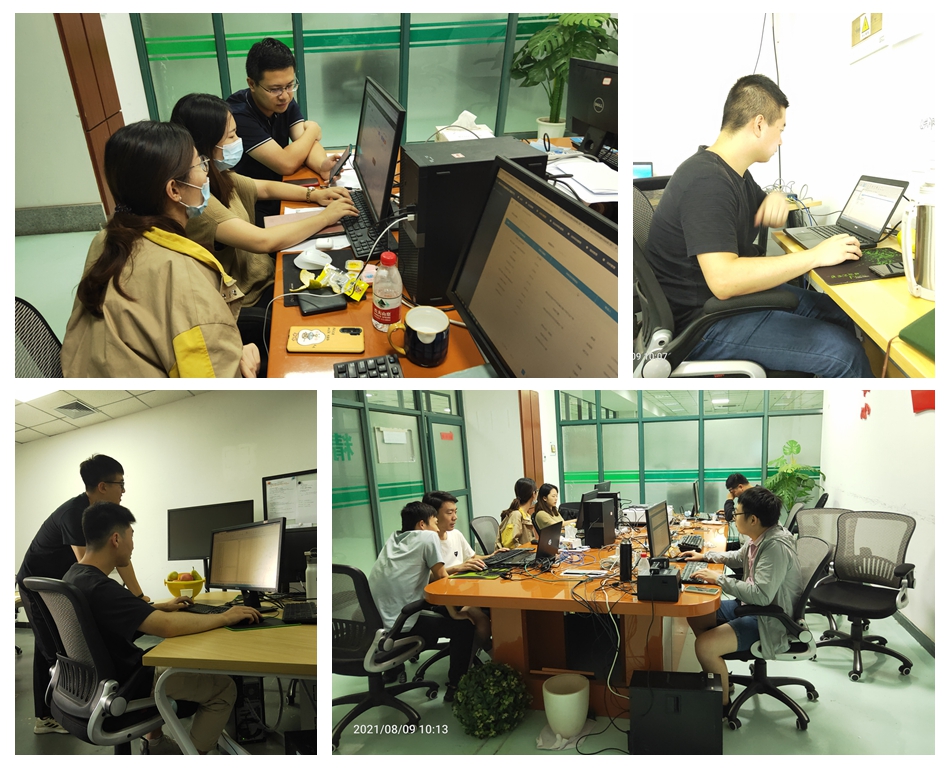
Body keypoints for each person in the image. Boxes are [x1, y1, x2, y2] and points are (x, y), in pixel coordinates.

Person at [645, 74, 873, 377]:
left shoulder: (732, 173)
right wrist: (816, 256)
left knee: (838, 313)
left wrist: (775, 197)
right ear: (759, 124)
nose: (781, 140)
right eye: (781, 129)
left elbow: (763, 205)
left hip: (722, 303)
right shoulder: (706, 181)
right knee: (845, 354)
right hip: (702, 322)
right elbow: (724, 280)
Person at [170, 93, 358, 370]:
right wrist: (326, 217)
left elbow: (263, 188)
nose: (238, 142)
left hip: (264, 277)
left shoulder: (216, 176)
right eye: (231, 136)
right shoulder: (200, 202)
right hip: (250, 300)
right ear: (205, 145)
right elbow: (263, 241)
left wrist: (313, 195)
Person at [61, 121, 259, 378]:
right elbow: (215, 386)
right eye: (199, 164)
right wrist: (243, 365)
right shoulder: (181, 274)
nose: (206, 173)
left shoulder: (106, 238)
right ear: (174, 190)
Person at [63, 501, 261, 754]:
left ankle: (154, 744)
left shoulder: (75, 576)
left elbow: (113, 613)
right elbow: (167, 628)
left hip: (92, 685)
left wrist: (160, 607)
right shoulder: (102, 587)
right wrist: (225, 617)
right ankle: (193, 754)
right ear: (116, 539)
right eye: (131, 536)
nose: (132, 545)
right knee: (223, 688)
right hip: (130, 684)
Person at [16, 455, 148, 735]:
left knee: (56, 641)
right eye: (120, 484)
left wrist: (138, 596)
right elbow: (89, 567)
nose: (124, 490)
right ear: (103, 486)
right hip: (37, 583)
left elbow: (117, 554)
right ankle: (48, 716)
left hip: (59, 580)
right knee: (50, 645)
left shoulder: (102, 515)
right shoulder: (75, 514)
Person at [679, 486, 803, 717]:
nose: (733, 518)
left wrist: (719, 579)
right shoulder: (763, 535)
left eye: (736, 514)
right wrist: (705, 556)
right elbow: (738, 556)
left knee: (704, 646)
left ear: (753, 519)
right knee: (697, 615)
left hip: (769, 620)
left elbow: (761, 595)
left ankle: (722, 706)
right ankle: (719, 675)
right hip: (755, 608)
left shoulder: (775, 547)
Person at [367, 501, 476, 701]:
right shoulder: (428, 537)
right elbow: (442, 579)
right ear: (422, 525)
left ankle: (393, 670)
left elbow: (418, 575)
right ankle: (456, 686)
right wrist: (454, 613)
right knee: (463, 626)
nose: (437, 528)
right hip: (402, 623)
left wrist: (455, 569)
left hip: (377, 621)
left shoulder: (394, 539)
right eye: (435, 523)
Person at [226, 38, 341, 223]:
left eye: (289, 85)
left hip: (281, 189)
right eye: (275, 89)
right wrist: (313, 129)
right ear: (252, 84)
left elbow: (303, 142)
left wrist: (322, 165)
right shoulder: (237, 115)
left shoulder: (282, 100)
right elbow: (286, 163)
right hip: (251, 205)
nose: (285, 95)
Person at [422, 491, 492, 654]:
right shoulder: (426, 543)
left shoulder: (455, 534)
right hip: (445, 597)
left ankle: (487, 652)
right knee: (481, 621)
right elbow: (426, 578)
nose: (455, 517)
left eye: (455, 512)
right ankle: (482, 656)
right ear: (433, 515)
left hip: (466, 589)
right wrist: (457, 568)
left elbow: (472, 557)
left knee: (500, 609)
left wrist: (494, 556)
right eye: (449, 513)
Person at [495, 478, 538, 550]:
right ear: (533, 494)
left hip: (526, 552)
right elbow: (509, 545)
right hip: (518, 555)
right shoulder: (516, 515)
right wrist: (528, 550)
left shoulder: (526, 515)